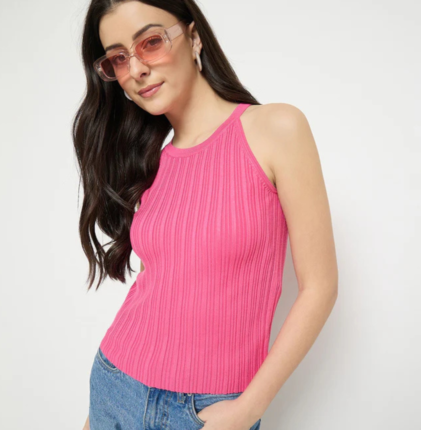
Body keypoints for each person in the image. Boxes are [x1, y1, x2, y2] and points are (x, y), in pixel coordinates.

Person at [73, 1, 339, 429]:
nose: (136, 68)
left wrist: (247, 409)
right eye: (119, 58)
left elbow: (320, 287)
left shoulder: (276, 128)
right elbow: (165, 284)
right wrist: (98, 413)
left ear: (194, 37)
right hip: (116, 385)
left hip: (208, 411)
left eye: (151, 42)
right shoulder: (152, 164)